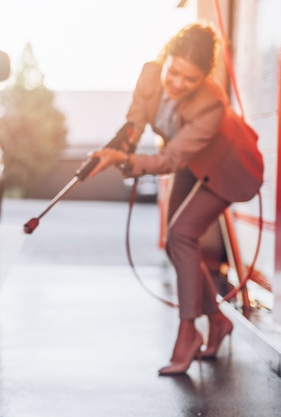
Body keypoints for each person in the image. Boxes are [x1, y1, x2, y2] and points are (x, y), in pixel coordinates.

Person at [88, 22, 263, 376]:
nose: (178, 84)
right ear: (165, 57)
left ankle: (189, 332)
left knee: (183, 235)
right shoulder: (150, 75)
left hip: (229, 169)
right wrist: (115, 151)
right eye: (175, 72)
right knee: (175, 243)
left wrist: (126, 161)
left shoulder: (211, 104)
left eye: (191, 80)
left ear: (203, 79)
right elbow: (135, 121)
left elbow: (170, 160)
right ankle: (216, 320)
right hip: (192, 162)